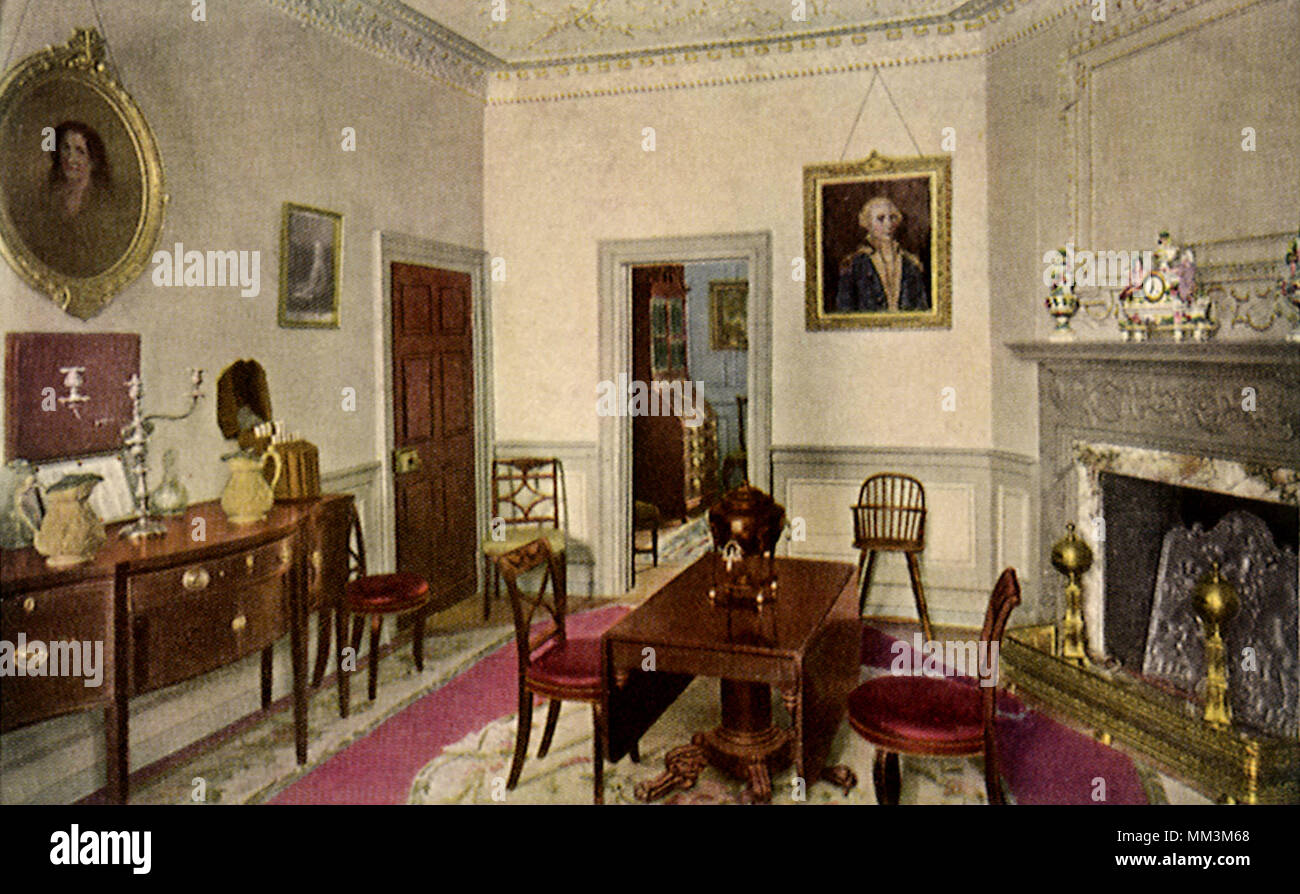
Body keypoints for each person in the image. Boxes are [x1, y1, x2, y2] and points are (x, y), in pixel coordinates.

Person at [8, 120, 134, 279]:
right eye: (66, 148)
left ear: (92, 159)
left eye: (80, 151)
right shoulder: (49, 198)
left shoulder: (104, 201)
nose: (70, 158)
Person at [831, 195, 930, 312]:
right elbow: (845, 311)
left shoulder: (911, 263)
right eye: (881, 218)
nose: (888, 224)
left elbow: (922, 309)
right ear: (867, 223)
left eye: (892, 218)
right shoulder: (853, 265)